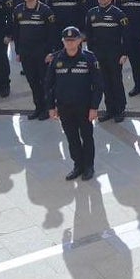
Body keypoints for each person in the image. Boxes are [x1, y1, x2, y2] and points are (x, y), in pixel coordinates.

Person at [46, 27, 103, 181]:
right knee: (71, 137)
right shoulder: (57, 59)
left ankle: (89, 166)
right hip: (64, 106)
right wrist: (51, 107)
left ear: (79, 41)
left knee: (87, 136)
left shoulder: (89, 58)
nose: (70, 43)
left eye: (73, 40)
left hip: (84, 106)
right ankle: (78, 165)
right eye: (66, 40)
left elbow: (98, 85)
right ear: (63, 42)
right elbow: (49, 85)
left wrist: (94, 107)